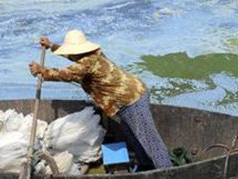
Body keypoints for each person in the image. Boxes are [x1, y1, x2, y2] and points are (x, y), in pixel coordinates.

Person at [29, 29, 172, 171]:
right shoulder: (93, 53)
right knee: (132, 135)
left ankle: (166, 171)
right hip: (129, 96)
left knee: (149, 138)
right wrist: (52, 46)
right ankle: (146, 165)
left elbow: (66, 74)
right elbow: (73, 58)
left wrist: (42, 70)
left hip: (131, 99)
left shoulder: (86, 63)